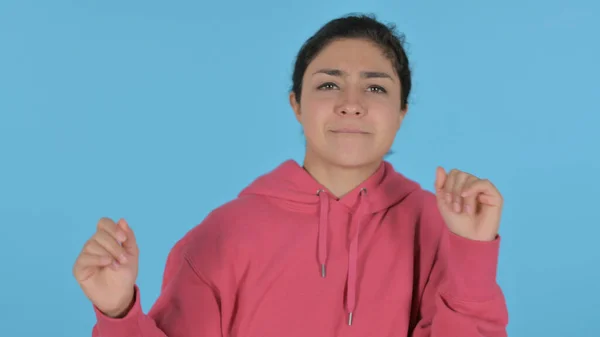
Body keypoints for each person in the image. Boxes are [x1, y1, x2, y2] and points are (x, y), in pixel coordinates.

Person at [73, 13, 509, 337]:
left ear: (401, 113)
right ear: (296, 105)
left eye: (375, 87)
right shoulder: (221, 237)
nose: (351, 103)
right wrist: (118, 314)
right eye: (328, 84)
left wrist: (471, 253)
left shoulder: (437, 227)